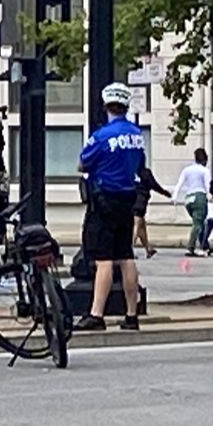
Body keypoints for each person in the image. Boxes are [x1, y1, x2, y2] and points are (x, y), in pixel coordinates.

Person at [72, 83, 146, 332]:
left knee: (104, 260)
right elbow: (139, 165)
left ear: (105, 106)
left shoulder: (102, 136)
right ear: (126, 106)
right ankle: (131, 315)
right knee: (126, 256)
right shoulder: (136, 135)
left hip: (104, 200)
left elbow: (82, 164)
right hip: (127, 198)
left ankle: (96, 314)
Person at [172, 148, 213, 257]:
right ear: (205, 160)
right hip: (199, 197)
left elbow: (179, 183)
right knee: (198, 224)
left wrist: (175, 196)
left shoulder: (187, 170)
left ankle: (205, 245)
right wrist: (210, 196)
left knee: (198, 222)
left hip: (188, 199)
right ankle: (192, 247)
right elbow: (208, 185)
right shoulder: (205, 171)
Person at [134, 165, 170, 259]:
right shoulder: (145, 172)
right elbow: (154, 185)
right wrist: (165, 193)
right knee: (136, 225)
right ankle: (129, 250)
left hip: (131, 200)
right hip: (140, 201)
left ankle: (148, 249)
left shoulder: (130, 170)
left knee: (142, 226)